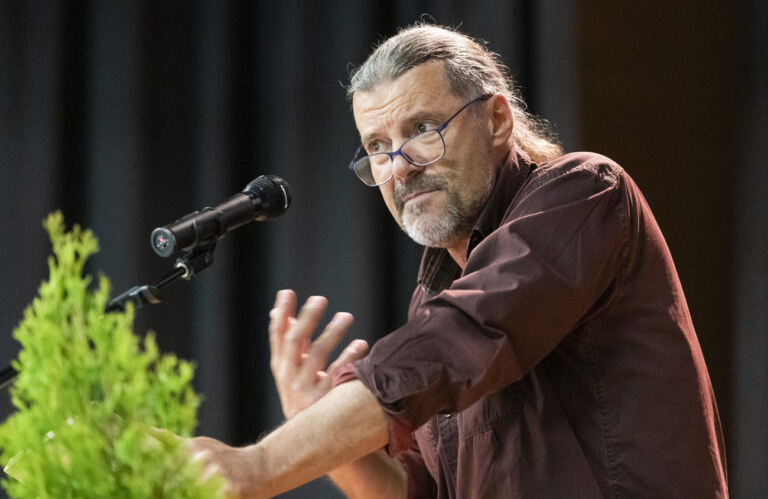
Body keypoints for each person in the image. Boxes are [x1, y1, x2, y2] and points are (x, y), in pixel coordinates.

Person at [188, 24, 728, 498]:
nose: (398, 169)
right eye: (378, 146)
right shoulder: (434, 296)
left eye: (423, 129)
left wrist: (258, 466)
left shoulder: (585, 194)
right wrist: (327, 434)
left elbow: (464, 337)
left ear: (496, 120)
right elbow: (418, 491)